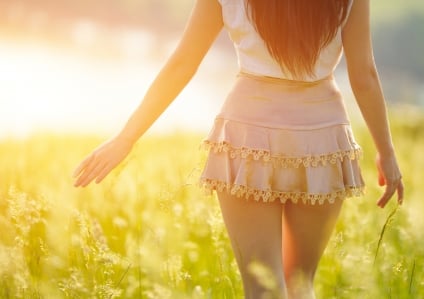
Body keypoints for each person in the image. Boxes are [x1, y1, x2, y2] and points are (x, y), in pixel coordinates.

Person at [73, 0, 404, 298]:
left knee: (263, 289)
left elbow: (182, 63)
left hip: (247, 136)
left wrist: (127, 137)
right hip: (322, 140)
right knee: (299, 285)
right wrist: (385, 152)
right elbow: (364, 75)